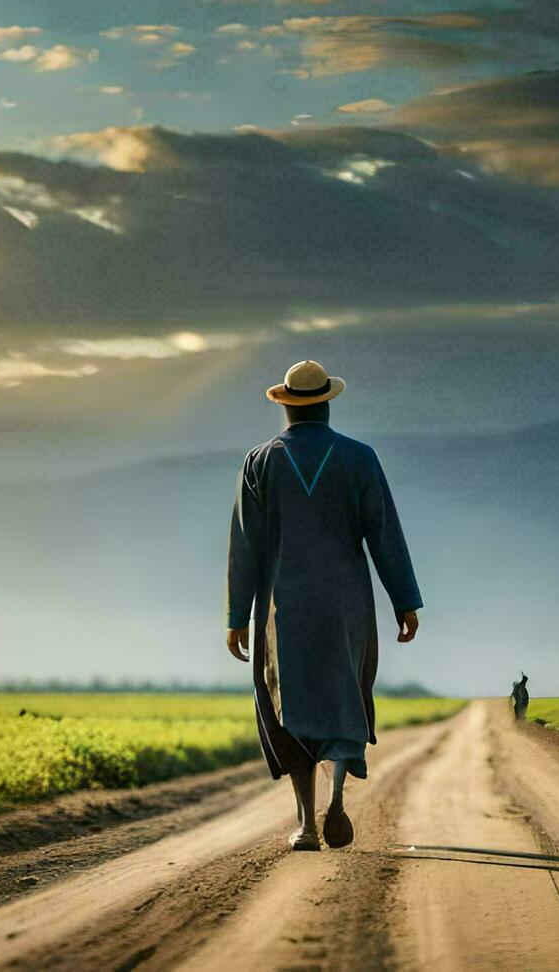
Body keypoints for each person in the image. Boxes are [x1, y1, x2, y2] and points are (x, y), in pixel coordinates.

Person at [225, 360, 423, 851]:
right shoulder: (359, 458)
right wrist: (405, 601)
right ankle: (336, 799)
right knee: (343, 696)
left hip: (281, 611)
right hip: (346, 607)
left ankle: (306, 825)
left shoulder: (260, 461)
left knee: (287, 707)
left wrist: (235, 617)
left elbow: (245, 545)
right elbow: (384, 534)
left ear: (286, 406)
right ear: (328, 405)